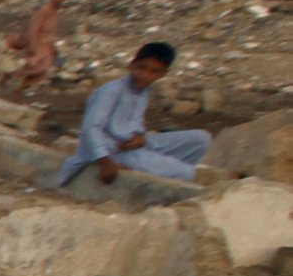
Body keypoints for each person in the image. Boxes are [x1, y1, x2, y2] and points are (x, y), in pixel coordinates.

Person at [60, 42, 203, 185]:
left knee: (200, 140)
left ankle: (157, 165)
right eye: (141, 68)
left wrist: (142, 139)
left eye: (154, 71)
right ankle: (156, 168)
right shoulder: (111, 91)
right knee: (187, 172)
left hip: (135, 146)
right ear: (131, 65)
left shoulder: (144, 92)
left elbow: (133, 123)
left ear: (162, 74)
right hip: (112, 152)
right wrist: (105, 162)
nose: (145, 75)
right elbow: (91, 128)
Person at [5, 0, 70, 95]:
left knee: (43, 73)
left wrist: (54, 49)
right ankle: (9, 78)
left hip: (46, 48)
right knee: (36, 69)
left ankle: (19, 90)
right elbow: (33, 29)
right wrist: (32, 46)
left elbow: (50, 34)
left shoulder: (55, 14)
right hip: (37, 46)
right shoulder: (44, 11)